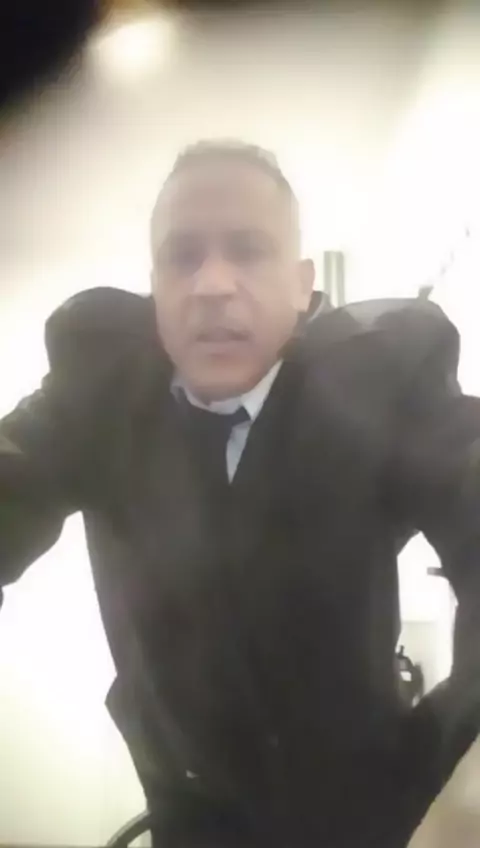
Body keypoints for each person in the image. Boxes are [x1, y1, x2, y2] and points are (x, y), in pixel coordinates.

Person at [1, 140, 480, 848]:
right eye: (183, 256)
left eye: (248, 251)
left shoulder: (384, 377)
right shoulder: (97, 387)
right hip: (186, 817)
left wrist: (438, 752)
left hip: (360, 821)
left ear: (301, 284)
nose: (212, 284)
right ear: (155, 286)